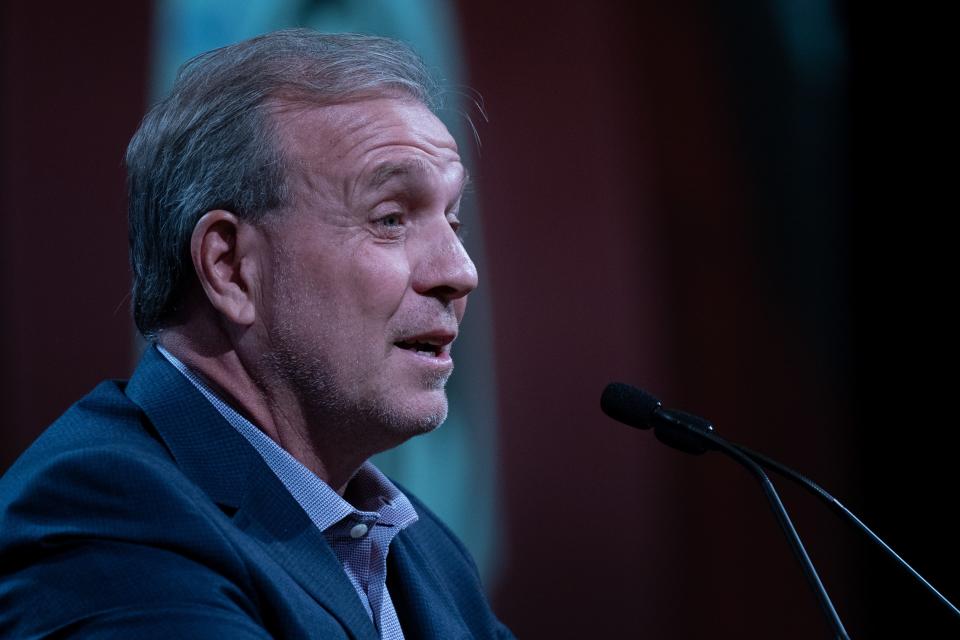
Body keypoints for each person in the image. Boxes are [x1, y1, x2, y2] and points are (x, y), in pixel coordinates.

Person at [0, 29, 513, 639]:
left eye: (451, 220)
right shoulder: (106, 511)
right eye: (391, 219)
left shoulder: (425, 549)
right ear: (230, 267)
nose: (460, 272)